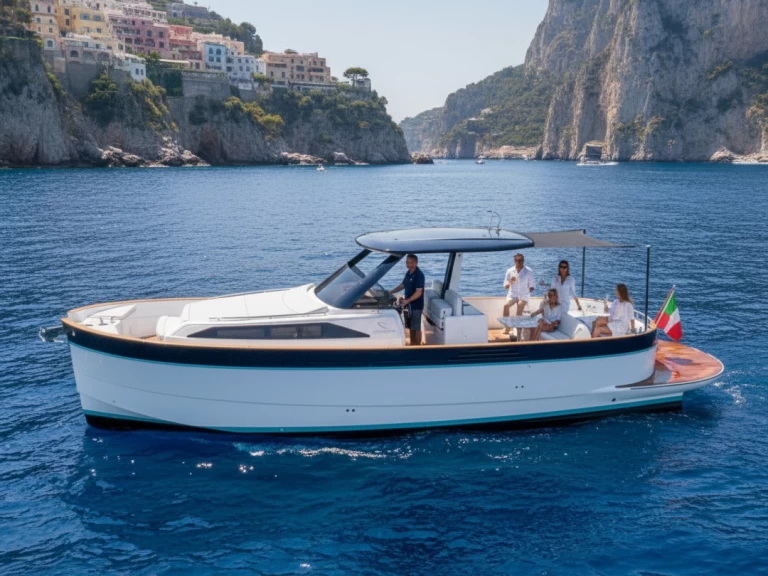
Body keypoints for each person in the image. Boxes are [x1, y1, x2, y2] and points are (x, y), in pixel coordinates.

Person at [390, 254, 425, 345]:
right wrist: (391, 292)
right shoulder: (408, 273)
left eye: (411, 262)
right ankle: (412, 343)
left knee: (416, 327)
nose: (409, 264)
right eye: (407, 262)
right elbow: (403, 285)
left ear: (416, 263)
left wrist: (407, 300)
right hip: (408, 304)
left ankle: (417, 346)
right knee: (410, 326)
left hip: (416, 305)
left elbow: (419, 292)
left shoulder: (419, 275)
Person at [502, 253, 535, 326]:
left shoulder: (528, 271)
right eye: (516, 260)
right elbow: (505, 286)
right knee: (506, 306)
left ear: (523, 261)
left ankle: (517, 327)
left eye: (520, 260)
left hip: (523, 296)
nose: (518, 262)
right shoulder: (509, 271)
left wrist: (526, 293)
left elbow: (532, 287)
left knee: (520, 305)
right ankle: (506, 326)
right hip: (512, 296)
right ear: (514, 261)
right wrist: (510, 281)